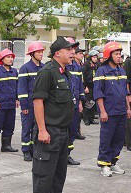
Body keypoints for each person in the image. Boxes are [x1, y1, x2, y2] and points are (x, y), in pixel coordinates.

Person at [31, 37, 77, 193]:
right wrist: (42, 130)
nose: (73, 52)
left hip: (63, 132)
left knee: (58, 177)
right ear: (57, 53)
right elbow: (38, 102)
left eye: (73, 50)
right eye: (69, 50)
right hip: (49, 132)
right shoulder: (47, 72)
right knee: (44, 177)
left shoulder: (65, 73)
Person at [94, 42, 131, 177]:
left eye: (119, 54)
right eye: (116, 54)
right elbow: (98, 93)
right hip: (109, 112)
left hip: (121, 111)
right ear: (108, 56)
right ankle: (104, 164)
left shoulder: (121, 71)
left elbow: (125, 91)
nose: (119, 57)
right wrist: (102, 111)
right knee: (106, 138)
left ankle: (113, 162)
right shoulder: (101, 71)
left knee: (119, 139)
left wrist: (128, 108)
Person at [0, 48, 19, 156]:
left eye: (11, 57)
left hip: (10, 104)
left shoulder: (14, 71)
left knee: (9, 125)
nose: (10, 59)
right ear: (2, 59)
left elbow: (17, 87)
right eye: (8, 57)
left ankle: (6, 146)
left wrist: (17, 99)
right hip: (0, 105)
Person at [18, 42, 45, 161]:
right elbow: (22, 88)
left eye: (42, 52)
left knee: (37, 128)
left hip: (41, 105)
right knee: (27, 128)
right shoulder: (25, 68)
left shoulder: (44, 67)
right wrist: (24, 105)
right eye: (38, 52)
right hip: (28, 104)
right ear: (32, 54)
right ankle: (26, 151)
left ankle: (35, 149)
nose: (41, 54)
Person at [66, 43, 86, 165]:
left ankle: (68, 154)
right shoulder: (63, 66)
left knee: (73, 130)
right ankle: (62, 155)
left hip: (75, 103)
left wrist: (80, 102)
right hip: (64, 104)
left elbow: (79, 85)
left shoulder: (77, 68)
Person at [82, 49, 99, 125]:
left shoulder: (96, 65)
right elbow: (84, 76)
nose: (96, 58)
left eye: (96, 57)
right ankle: (86, 118)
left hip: (95, 86)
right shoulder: (86, 65)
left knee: (94, 103)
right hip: (88, 86)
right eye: (94, 57)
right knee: (88, 103)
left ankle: (91, 118)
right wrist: (85, 87)